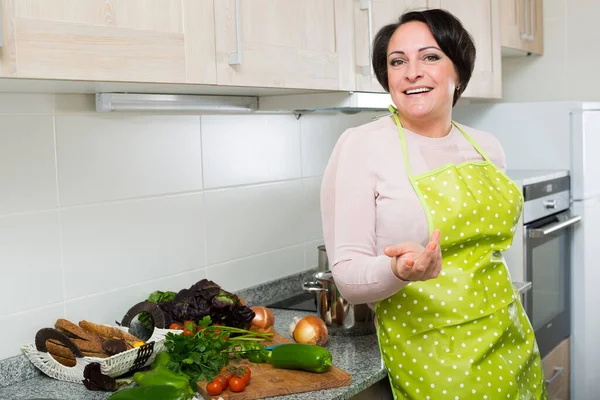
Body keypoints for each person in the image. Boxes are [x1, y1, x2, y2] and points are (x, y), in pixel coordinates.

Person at [320, 8, 548, 399]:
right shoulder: (362, 145)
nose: (412, 72)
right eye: (397, 61)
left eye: (430, 56)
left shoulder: (487, 146)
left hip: (511, 342)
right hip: (435, 361)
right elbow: (347, 276)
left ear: (457, 70)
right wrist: (399, 270)